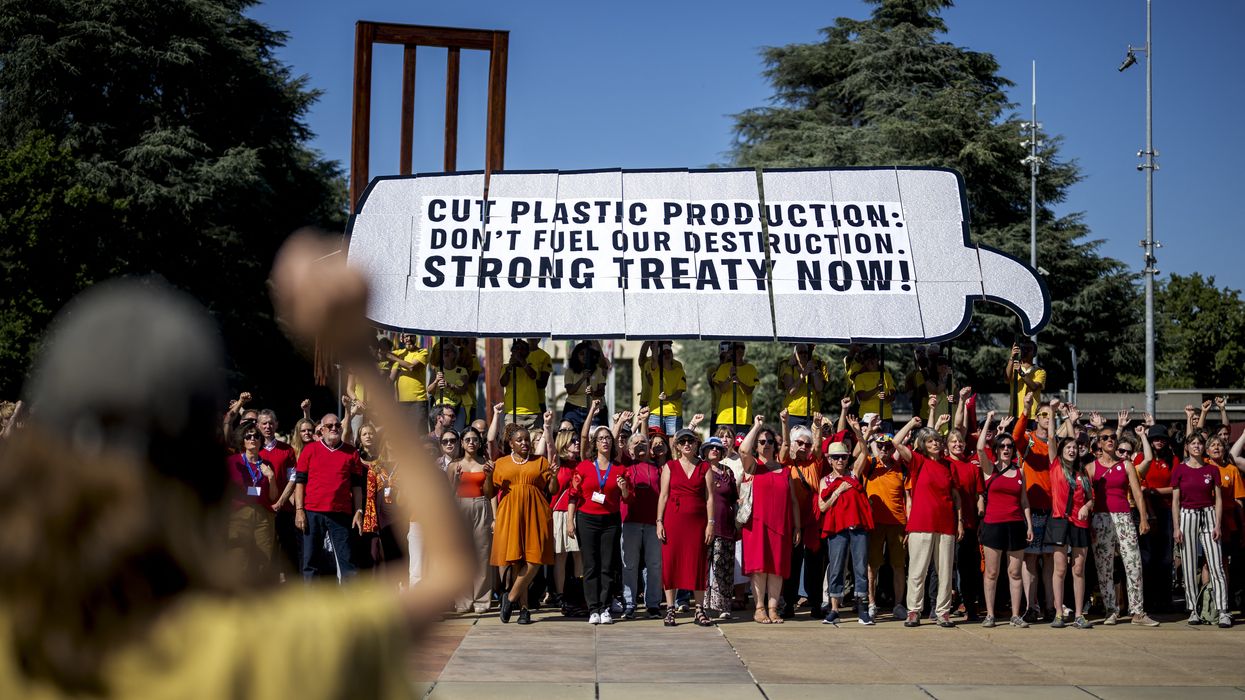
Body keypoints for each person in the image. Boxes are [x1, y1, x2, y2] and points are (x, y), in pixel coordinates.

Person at [0, 235, 474, 697]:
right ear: (206, 468)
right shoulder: (269, 646)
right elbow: (449, 568)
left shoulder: (16, 646)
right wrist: (353, 348)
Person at [893, 416, 963, 628]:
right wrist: (912, 425)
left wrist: (959, 522)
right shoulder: (918, 462)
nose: (935, 444)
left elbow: (956, 497)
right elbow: (895, 442)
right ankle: (914, 610)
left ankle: (943, 612)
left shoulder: (949, 466)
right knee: (917, 570)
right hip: (921, 523)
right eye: (930, 441)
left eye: (937, 441)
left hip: (946, 523)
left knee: (944, 571)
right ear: (923, 445)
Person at [1088, 426, 1160, 626]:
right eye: (1105, 438)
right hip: (1101, 518)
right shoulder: (1091, 467)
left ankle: (1137, 611)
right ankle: (1111, 609)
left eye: (1112, 437)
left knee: (1133, 562)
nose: (1110, 440)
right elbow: (1086, 496)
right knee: (1105, 566)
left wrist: (1143, 518)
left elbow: (1137, 494)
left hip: (1124, 516)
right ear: (1099, 443)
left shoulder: (1126, 465)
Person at [490, 412, 556, 625]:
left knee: (534, 559)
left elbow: (552, 489)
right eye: (520, 440)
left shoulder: (540, 461)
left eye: (527, 439)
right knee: (517, 561)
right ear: (511, 444)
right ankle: (525, 610)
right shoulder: (500, 463)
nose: (525, 443)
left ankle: (509, 598)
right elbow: (489, 492)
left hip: (536, 512)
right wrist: (486, 474)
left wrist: (554, 476)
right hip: (510, 513)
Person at [739, 415, 801, 624]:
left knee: (777, 568)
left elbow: (793, 501)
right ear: (757, 445)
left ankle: (773, 608)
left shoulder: (784, 470)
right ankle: (759, 608)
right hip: (756, 524)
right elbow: (743, 451)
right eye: (762, 442)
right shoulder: (753, 466)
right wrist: (756, 426)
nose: (766, 445)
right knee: (759, 568)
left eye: (770, 442)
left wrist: (797, 526)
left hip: (781, 525)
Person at [567, 426, 631, 624]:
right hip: (586, 519)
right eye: (601, 438)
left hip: (610, 520)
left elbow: (628, 498)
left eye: (608, 438)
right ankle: (593, 608)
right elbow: (572, 495)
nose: (605, 441)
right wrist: (570, 521)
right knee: (590, 565)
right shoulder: (584, 466)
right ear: (595, 444)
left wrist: (624, 488)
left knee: (607, 565)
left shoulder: (620, 468)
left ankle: (604, 607)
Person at [975, 413, 1032, 628]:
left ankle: (1015, 615)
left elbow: (1024, 500)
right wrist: (989, 420)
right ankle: (989, 614)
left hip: (1016, 524)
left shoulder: (1019, 471)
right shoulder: (990, 469)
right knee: (991, 572)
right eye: (1002, 446)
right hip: (993, 524)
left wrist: (1028, 525)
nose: (1006, 449)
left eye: (1009, 446)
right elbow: (981, 448)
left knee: (1015, 573)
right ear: (997, 449)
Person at [293, 413, 365, 582]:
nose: (334, 428)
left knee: (347, 561)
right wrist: (299, 510)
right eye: (330, 426)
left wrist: (359, 509)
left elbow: (356, 487)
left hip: (341, 513)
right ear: (322, 430)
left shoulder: (351, 452)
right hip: (313, 512)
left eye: (337, 426)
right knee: (310, 561)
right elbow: (300, 483)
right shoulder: (310, 450)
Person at [1171, 432, 1231, 627]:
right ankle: (1193, 610)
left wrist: (1218, 524)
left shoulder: (1212, 470)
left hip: (1209, 513)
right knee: (1188, 564)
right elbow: (1175, 501)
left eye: (1200, 443)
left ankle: (1223, 610)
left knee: (1216, 564)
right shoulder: (1180, 469)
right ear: (1187, 447)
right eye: (1193, 443)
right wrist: (1176, 527)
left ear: (1204, 447)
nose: (1196, 446)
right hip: (1187, 514)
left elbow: (1219, 499)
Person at [657, 428, 715, 627]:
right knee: (671, 562)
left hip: (697, 523)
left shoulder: (704, 467)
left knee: (697, 562)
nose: (687, 444)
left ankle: (699, 609)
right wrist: (659, 521)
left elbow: (709, 498)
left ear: (696, 443)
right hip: (674, 521)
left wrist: (710, 523)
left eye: (690, 441)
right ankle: (671, 608)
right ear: (677, 446)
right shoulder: (670, 466)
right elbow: (663, 496)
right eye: (682, 442)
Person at [818, 440, 874, 625]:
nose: (840, 460)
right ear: (829, 460)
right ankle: (834, 609)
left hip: (857, 527)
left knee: (860, 567)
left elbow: (865, 451)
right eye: (836, 457)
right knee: (836, 567)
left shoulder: (854, 474)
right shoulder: (824, 481)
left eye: (843, 457)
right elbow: (822, 507)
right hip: (837, 528)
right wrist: (837, 492)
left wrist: (860, 433)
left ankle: (863, 609)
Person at [778, 412, 827, 620]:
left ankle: (815, 603)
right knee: (793, 562)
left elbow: (817, 448)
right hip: (793, 520)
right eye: (800, 443)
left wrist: (816, 427)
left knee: (815, 564)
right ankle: (788, 603)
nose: (804, 447)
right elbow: (784, 447)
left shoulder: (814, 463)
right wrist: (785, 423)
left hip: (814, 520)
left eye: (806, 444)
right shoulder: (786, 461)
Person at [1011, 397, 1055, 622]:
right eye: (1044, 415)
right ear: (1037, 418)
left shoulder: (1056, 442)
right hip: (1033, 508)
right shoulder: (1028, 439)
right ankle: (1031, 606)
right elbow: (1015, 436)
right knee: (1030, 560)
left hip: (1054, 508)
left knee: (1050, 559)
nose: (1047, 419)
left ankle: (1051, 606)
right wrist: (1026, 409)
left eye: (1051, 415)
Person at [1047, 437, 1094, 629]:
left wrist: (1087, 506)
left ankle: (1079, 614)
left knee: (1078, 569)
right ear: (1061, 450)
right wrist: (1061, 414)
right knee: (1060, 569)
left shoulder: (1083, 472)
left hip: (1080, 523)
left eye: (1075, 447)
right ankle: (1058, 612)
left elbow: (1092, 499)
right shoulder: (1056, 466)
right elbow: (1051, 439)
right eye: (1068, 447)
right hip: (1060, 521)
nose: (1072, 450)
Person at [864, 429, 910, 622]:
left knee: (899, 566)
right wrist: (866, 435)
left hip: (898, 523)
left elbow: (908, 499)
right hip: (874, 523)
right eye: (880, 445)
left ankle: (898, 605)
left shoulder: (902, 468)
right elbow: (858, 455)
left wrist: (910, 525)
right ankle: (871, 603)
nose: (884, 449)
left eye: (888, 446)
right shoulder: (871, 464)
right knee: (872, 566)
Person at [449, 426, 496, 614]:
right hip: (459, 506)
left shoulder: (486, 463)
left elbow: (490, 492)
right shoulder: (454, 465)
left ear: (479, 442)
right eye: (467, 439)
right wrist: (456, 479)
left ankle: (482, 600)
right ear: (462, 442)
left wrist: (489, 476)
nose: (471, 442)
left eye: (474, 439)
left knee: (482, 554)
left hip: (481, 505)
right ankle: (462, 600)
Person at [621, 429, 663, 619]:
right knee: (629, 564)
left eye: (643, 443)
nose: (640, 445)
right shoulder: (625, 467)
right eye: (635, 443)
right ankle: (629, 604)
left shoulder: (658, 468)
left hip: (653, 522)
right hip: (630, 521)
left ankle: (653, 604)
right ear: (628, 449)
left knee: (654, 564)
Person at [227, 424, 279, 576]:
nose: (252, 439)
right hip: (238, 514)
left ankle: (260, 594)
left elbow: (273, 497)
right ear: (242, 441)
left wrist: (271, 477)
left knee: (264, 559)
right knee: (238, 557)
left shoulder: (267, 465)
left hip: (263, 516)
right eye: (248, 436)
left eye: (256, 436)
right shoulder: (232, 462)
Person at [946, 425, 985, 621]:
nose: (957, 444)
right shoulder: (943, 464)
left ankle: (969, 606)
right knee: (946, 569)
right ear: (947, 445)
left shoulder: (972, 466)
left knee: (968, 568)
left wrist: (980, 512)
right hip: (946, 523)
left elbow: (979, 494)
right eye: (953, 441)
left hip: (969, 524)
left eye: (960, 441)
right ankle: (943, 607)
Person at [257, 408, 300, 580]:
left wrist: (281, 501)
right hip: (260, 510)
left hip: (283, 510)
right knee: (265, 552)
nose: (267, 426)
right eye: (264, 423)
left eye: (270, 423)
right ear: (258, 425)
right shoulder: (253, 449)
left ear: (276, 425)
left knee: (288, 552)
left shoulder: (287, 450)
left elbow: (293, 478)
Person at [1139, 422, 1177, 614]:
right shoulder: (1142, 458)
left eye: (1162, 438)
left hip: (1167, 512)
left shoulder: (1173, 459)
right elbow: (1139, 485)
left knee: (1166, 558)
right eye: (1155, 439)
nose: (1159, 442)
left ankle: (1165, 600)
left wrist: (1154, 491)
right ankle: (1147, 601)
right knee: (1147, 557)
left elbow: (1177, 487)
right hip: (1145, 511)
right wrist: (1149, 494)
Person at [549, 428, 584, 613]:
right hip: (559, 513)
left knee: (579, 555)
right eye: (573, 441)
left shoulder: (581, 463)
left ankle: (579, 593)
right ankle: (560, 595)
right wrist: (547, 427)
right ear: (564, 444)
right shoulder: (558, 463)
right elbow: (549, 446)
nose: (577, 443)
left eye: (577, 440)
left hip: (579, 512)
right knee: (561, 556)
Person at [703, 436, 739, 619]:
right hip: (705, 526)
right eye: (711, 447)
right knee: (704, 567)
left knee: (723, 568)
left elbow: (734, 498)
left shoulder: (728, 472)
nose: (715, 450)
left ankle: (723, 605)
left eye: (718, 448)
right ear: (704, 450)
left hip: (725, 526)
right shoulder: (700, 470)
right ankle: (703, 605)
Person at [711, 342, 758, 436]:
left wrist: (739, 381)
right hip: (725, 416)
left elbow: (749, 391)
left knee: (741, 447)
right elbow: (722, 389)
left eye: (742, 347)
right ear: (731, 350)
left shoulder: (750, 368)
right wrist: (729, 378)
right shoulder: (724, 368)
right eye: (737, 347)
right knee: (724, 446)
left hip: (743, 417)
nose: (740, 350)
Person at [562, 341, 608, 433]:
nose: (584, 357)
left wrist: (593, 393)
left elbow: (602, 391)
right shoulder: (570, 371)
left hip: (593, 408)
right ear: (576, 355)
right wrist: (583, 378)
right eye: (581, 354)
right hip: (573, 408)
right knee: (571, 434)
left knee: (594, 434)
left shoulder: (597, 370)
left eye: (587, 354)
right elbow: (570, 390)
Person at [641, 341, 685, 434]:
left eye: (668, 352)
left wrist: (667, 398)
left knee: (673, 444)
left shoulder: (679, 370)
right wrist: (656, 339)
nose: (667, 355)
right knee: (654, 441)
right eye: (664, 353)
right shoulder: (656, 370)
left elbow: (679, 393)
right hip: (656, 412)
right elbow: (653, 358)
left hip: (673, 413)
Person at [498, 340, 544, 431]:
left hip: (532, 412)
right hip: (512, 412)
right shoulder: (506, 367)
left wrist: (521, 361)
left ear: (527, 352)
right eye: (516, 349)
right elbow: (503, 383)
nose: (519, 351)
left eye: (522, 349)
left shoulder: (532, 365)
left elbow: (533, 375)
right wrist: (509, 368)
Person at [779, 344, 827, 430]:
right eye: (800, 352)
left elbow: (819, 388)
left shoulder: (815, 367)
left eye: (806, 352)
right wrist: (804, 373)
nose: (804, 355)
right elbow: (791, 391)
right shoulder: (790, 369)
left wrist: (814, 372)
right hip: (794, 414)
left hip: (813, 413)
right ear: (795, 355)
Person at [389, 333, 430, 432]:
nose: (409, 339)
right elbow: (381, 354)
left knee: (419, 434)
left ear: (416, 338)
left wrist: (394, 358)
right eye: (406, 336)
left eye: (411, 336)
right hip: (400, 402)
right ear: (402, 338)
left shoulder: (422, 352)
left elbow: (411, 366)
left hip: (418, 402)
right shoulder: (399, 353)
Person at [849, 346, 896, 432]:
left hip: (885, 417)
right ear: (864, 362)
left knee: (887, 442)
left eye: (873, 358)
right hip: (867, 417)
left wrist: (886, 397)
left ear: (878, 359)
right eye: (867, 359)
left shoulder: (886, 375)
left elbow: (893, 395)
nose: (870, 361)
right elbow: (861, 396)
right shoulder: (859, 377)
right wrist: (877, 388)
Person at [1004, 340, 1045, 418]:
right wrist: (1012, 357)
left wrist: (1021, 372)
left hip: (1032, 416)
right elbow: (1006, 379)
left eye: (1029, 349)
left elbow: (1034, 387)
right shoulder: (1013, 368)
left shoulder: (1040, 371)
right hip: (1015, 414)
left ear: (1034, 353)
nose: (1025, 351)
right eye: (1023, 348)